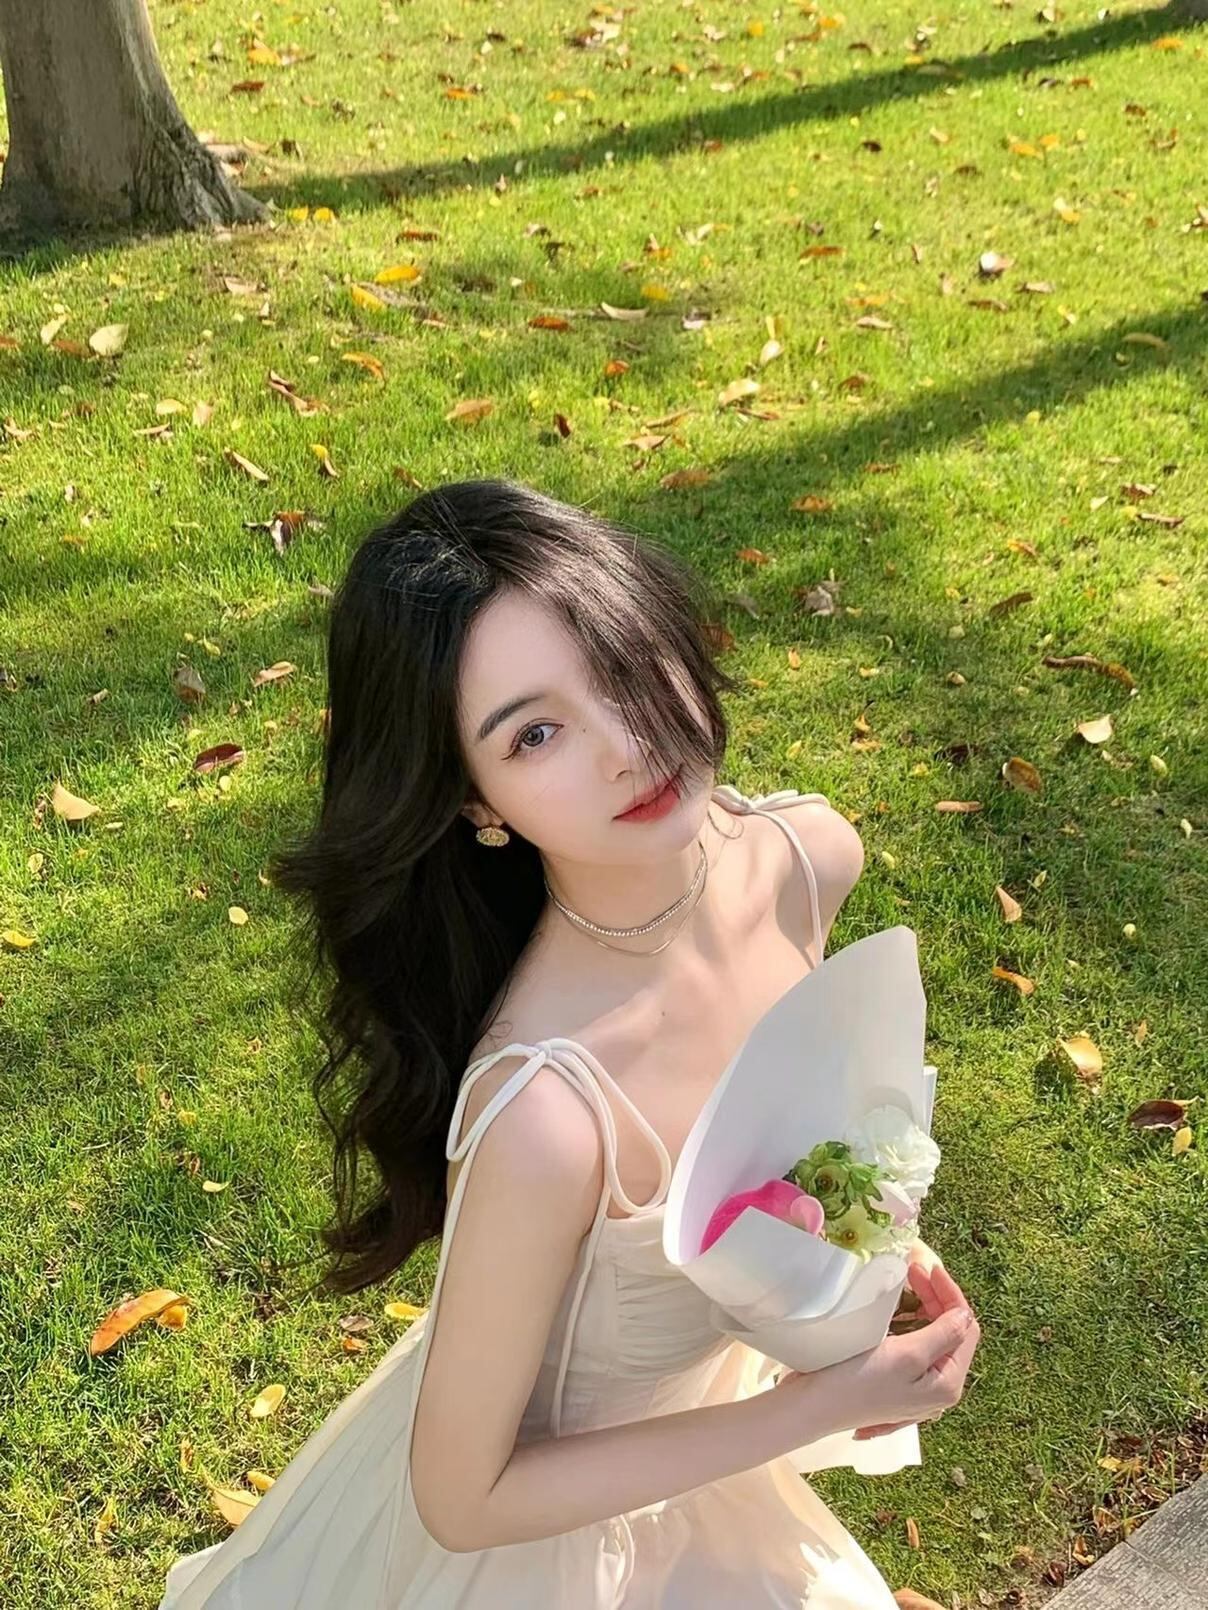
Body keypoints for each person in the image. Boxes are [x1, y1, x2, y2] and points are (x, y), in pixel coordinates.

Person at [158, 478, 980, 1608]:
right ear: (474, 802)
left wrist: (870, 1258)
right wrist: (815, 1407)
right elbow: (463, 1497)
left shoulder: (805, 860)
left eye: (620, 661)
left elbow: (777, 1143)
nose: (626, 745)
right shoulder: (547, 1113)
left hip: (697, 1469)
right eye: (535, 732)